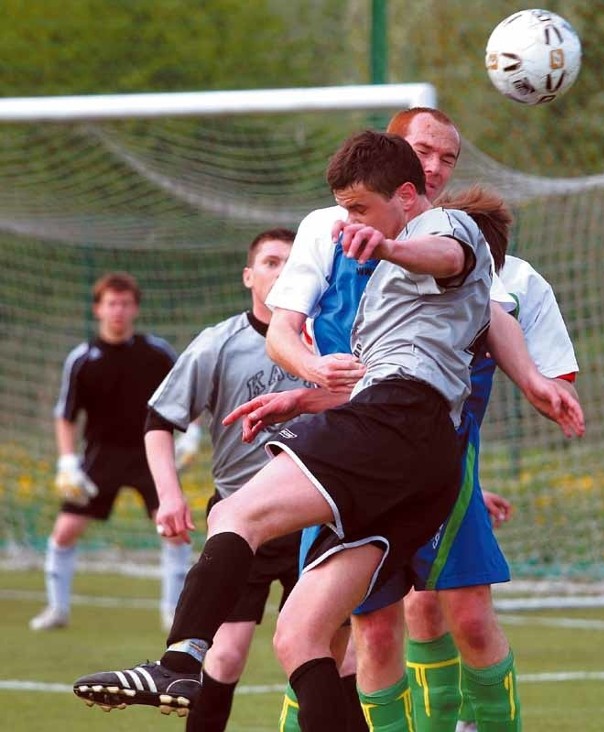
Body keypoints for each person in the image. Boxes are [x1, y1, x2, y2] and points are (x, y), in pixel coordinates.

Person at [72, 129, 500, 731]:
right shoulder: (378, 280)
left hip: (398, 424)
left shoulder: (444, 229)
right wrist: (304, 394)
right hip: (414, 454)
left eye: (358, 209)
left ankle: (180, 659)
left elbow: (446, 259)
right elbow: (393, 372)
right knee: (299, 637)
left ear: (406, 196)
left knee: (233, 513)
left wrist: (387, 247)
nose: (346, 221)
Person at [239, 109, 582, 732]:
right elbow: (283, 329)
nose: (433, 165)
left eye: (447, 157)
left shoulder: (473, 249)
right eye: (421, 149)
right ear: (388, 153)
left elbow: (491, 312)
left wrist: (533, 379)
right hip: (354, 445)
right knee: (363, 628)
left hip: (439, 452)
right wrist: (316, 380)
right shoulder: (329, 227)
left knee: (464, 616)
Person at [143, 227, 310, 731]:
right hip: (245, 521)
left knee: (331, 650)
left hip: (316, 517)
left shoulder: (327, 339)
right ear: (248, 275)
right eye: (271, 262)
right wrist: (169, 496)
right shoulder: (219, 343)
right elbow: (158, 422)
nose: (281, 273)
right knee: (226, 655)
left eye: (292, 263)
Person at [30, 271, 200, 632]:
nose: (118, 311)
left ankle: (174, 612)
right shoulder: (82, 358)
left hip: (151, 453)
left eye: (125, 303)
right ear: (98, 309)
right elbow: (65, 415)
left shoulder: (157, 353)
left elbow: (189, 393)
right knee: (64, 531)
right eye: (111, 304)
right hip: (100, 457)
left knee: (175, 531)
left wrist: (191, 436)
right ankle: (57, 609)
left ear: (135, 308)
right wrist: (66, 462)